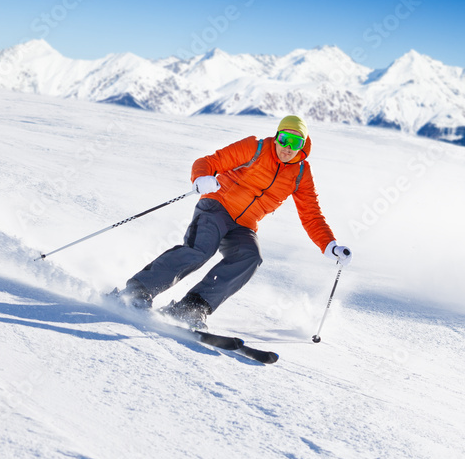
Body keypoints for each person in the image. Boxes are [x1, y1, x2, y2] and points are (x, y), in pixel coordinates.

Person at [116, 115, 351, 330]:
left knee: (250, 257)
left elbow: (311, 214)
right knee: (200, 250)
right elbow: (209, 161)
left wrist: (329, 245)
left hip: (244, 224)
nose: (288, 148)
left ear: (304, 146)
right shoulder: (255, 148)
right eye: (285, 139)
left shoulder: (301, 173)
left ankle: (192, 307)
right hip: (217, 206)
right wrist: (201, 178)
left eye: (296, 143)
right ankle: (138, 290)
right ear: (277, 136)